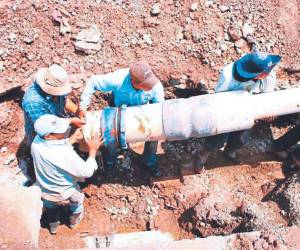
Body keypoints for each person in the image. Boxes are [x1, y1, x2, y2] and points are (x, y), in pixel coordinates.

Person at [79, 61, 164, 177]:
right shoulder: (118, 79)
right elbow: (93, 82)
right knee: (110, 136)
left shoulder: (155, 86)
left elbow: (159, 108)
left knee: (154, 134)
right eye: (146, 84)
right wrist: (82, 107)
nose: (151, 86)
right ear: (135, 82)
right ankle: (110, 162)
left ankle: (149, 161)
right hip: (117, 113)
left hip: (140, 112)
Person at [198, 52, 281, 170]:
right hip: (228, 110)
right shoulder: (228, 75)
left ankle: (230, 151)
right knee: (218, 137)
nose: (266, 75)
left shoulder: (270, 76)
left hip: (249, 112)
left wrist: (267, 112)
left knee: (241, 138)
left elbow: (267, 97)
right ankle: (204, 154)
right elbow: (220, 99)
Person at [31, 114, 104, 234]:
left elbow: (55, 152)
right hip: (66, 192)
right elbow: (87, 172)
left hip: (45, 192)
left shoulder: (36, 143)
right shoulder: (64, 154)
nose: (65, 130)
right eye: (60, 130)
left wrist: (72, 139)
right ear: (49, 136)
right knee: (77, 202)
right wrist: (92, 151)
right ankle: (73, 223)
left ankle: (53, 226)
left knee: (51, 209)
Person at [21, 64, 85, 180]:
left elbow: (64, 100)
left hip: (58, 124)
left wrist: (77, 111)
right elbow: (45, 128)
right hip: (41, 134)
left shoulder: (57, 87)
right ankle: (37, 171)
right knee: (45, 155)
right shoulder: (33, 102)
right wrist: (70, 122)